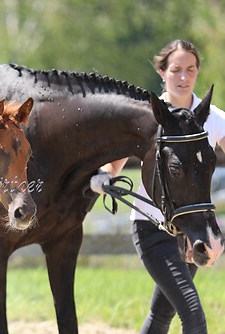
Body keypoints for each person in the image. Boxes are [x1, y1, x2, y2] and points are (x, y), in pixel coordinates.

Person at [90, 39, 225, 334]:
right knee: (193, 316)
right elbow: (113, 165)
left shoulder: (213, 118)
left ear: (197, 73)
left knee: (161, 316)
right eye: (175, 69)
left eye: (190, 69)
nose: (183, 77)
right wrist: (103, 177)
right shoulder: (148, 117)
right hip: (152, 228)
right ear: (162, 72)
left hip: (192, 231)